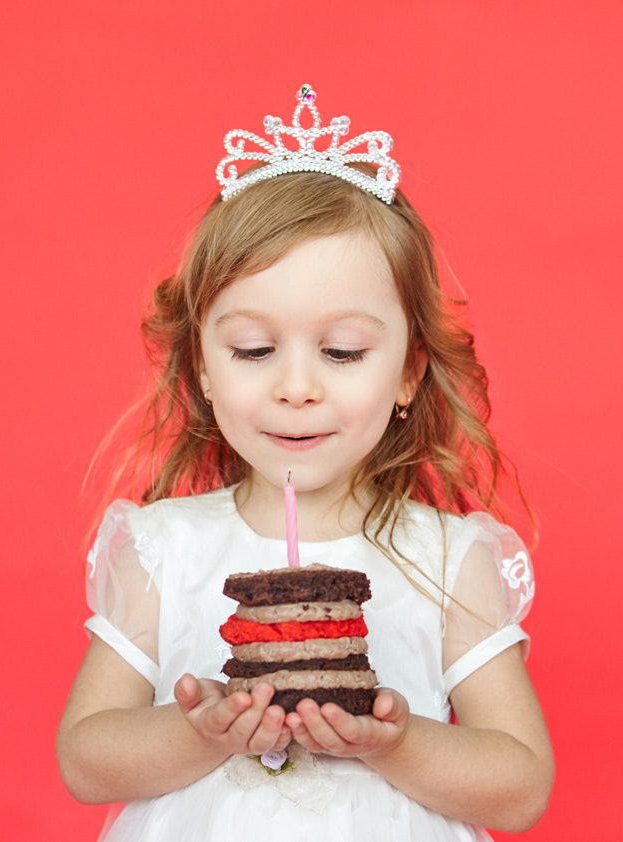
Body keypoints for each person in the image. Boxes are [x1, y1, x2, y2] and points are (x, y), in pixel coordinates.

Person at [55, 84, 552, 841]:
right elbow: (86, 761)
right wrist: (202, 733)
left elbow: (519, 789)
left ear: (410, 372)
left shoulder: (449, 559)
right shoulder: (166, 548)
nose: (295, 388)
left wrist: (400, 742)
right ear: (204, 368)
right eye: (254, 350)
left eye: (342, 351)